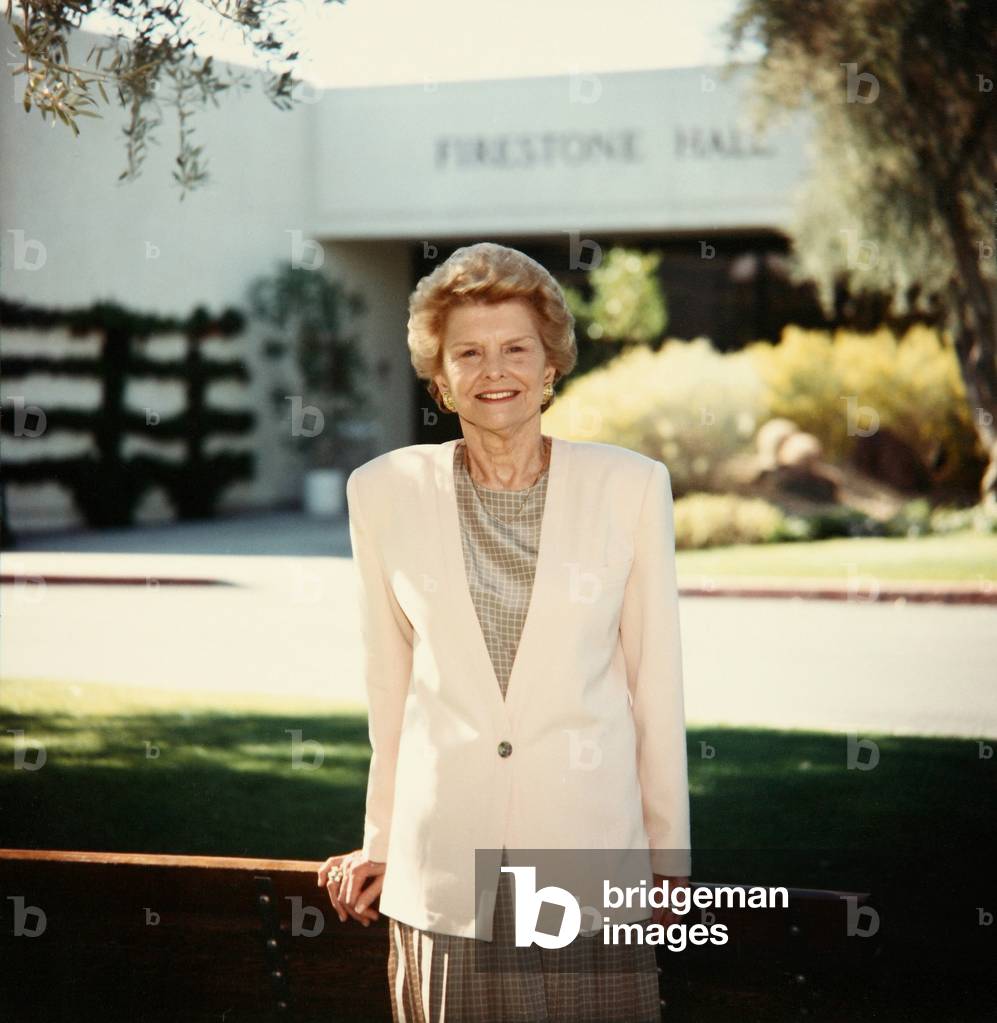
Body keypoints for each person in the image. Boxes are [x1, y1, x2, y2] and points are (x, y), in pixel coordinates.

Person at [318, 242, 691, 1022]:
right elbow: (389, 685)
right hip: (443, 866)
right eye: (468, 353)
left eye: (516, 349)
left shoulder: (629, 486)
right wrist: (380, 837)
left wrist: (667, 858)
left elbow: (654, 686)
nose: (494, 370)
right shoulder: (382, 492)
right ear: (439, 378)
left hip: (588, 861)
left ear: (550, 366)